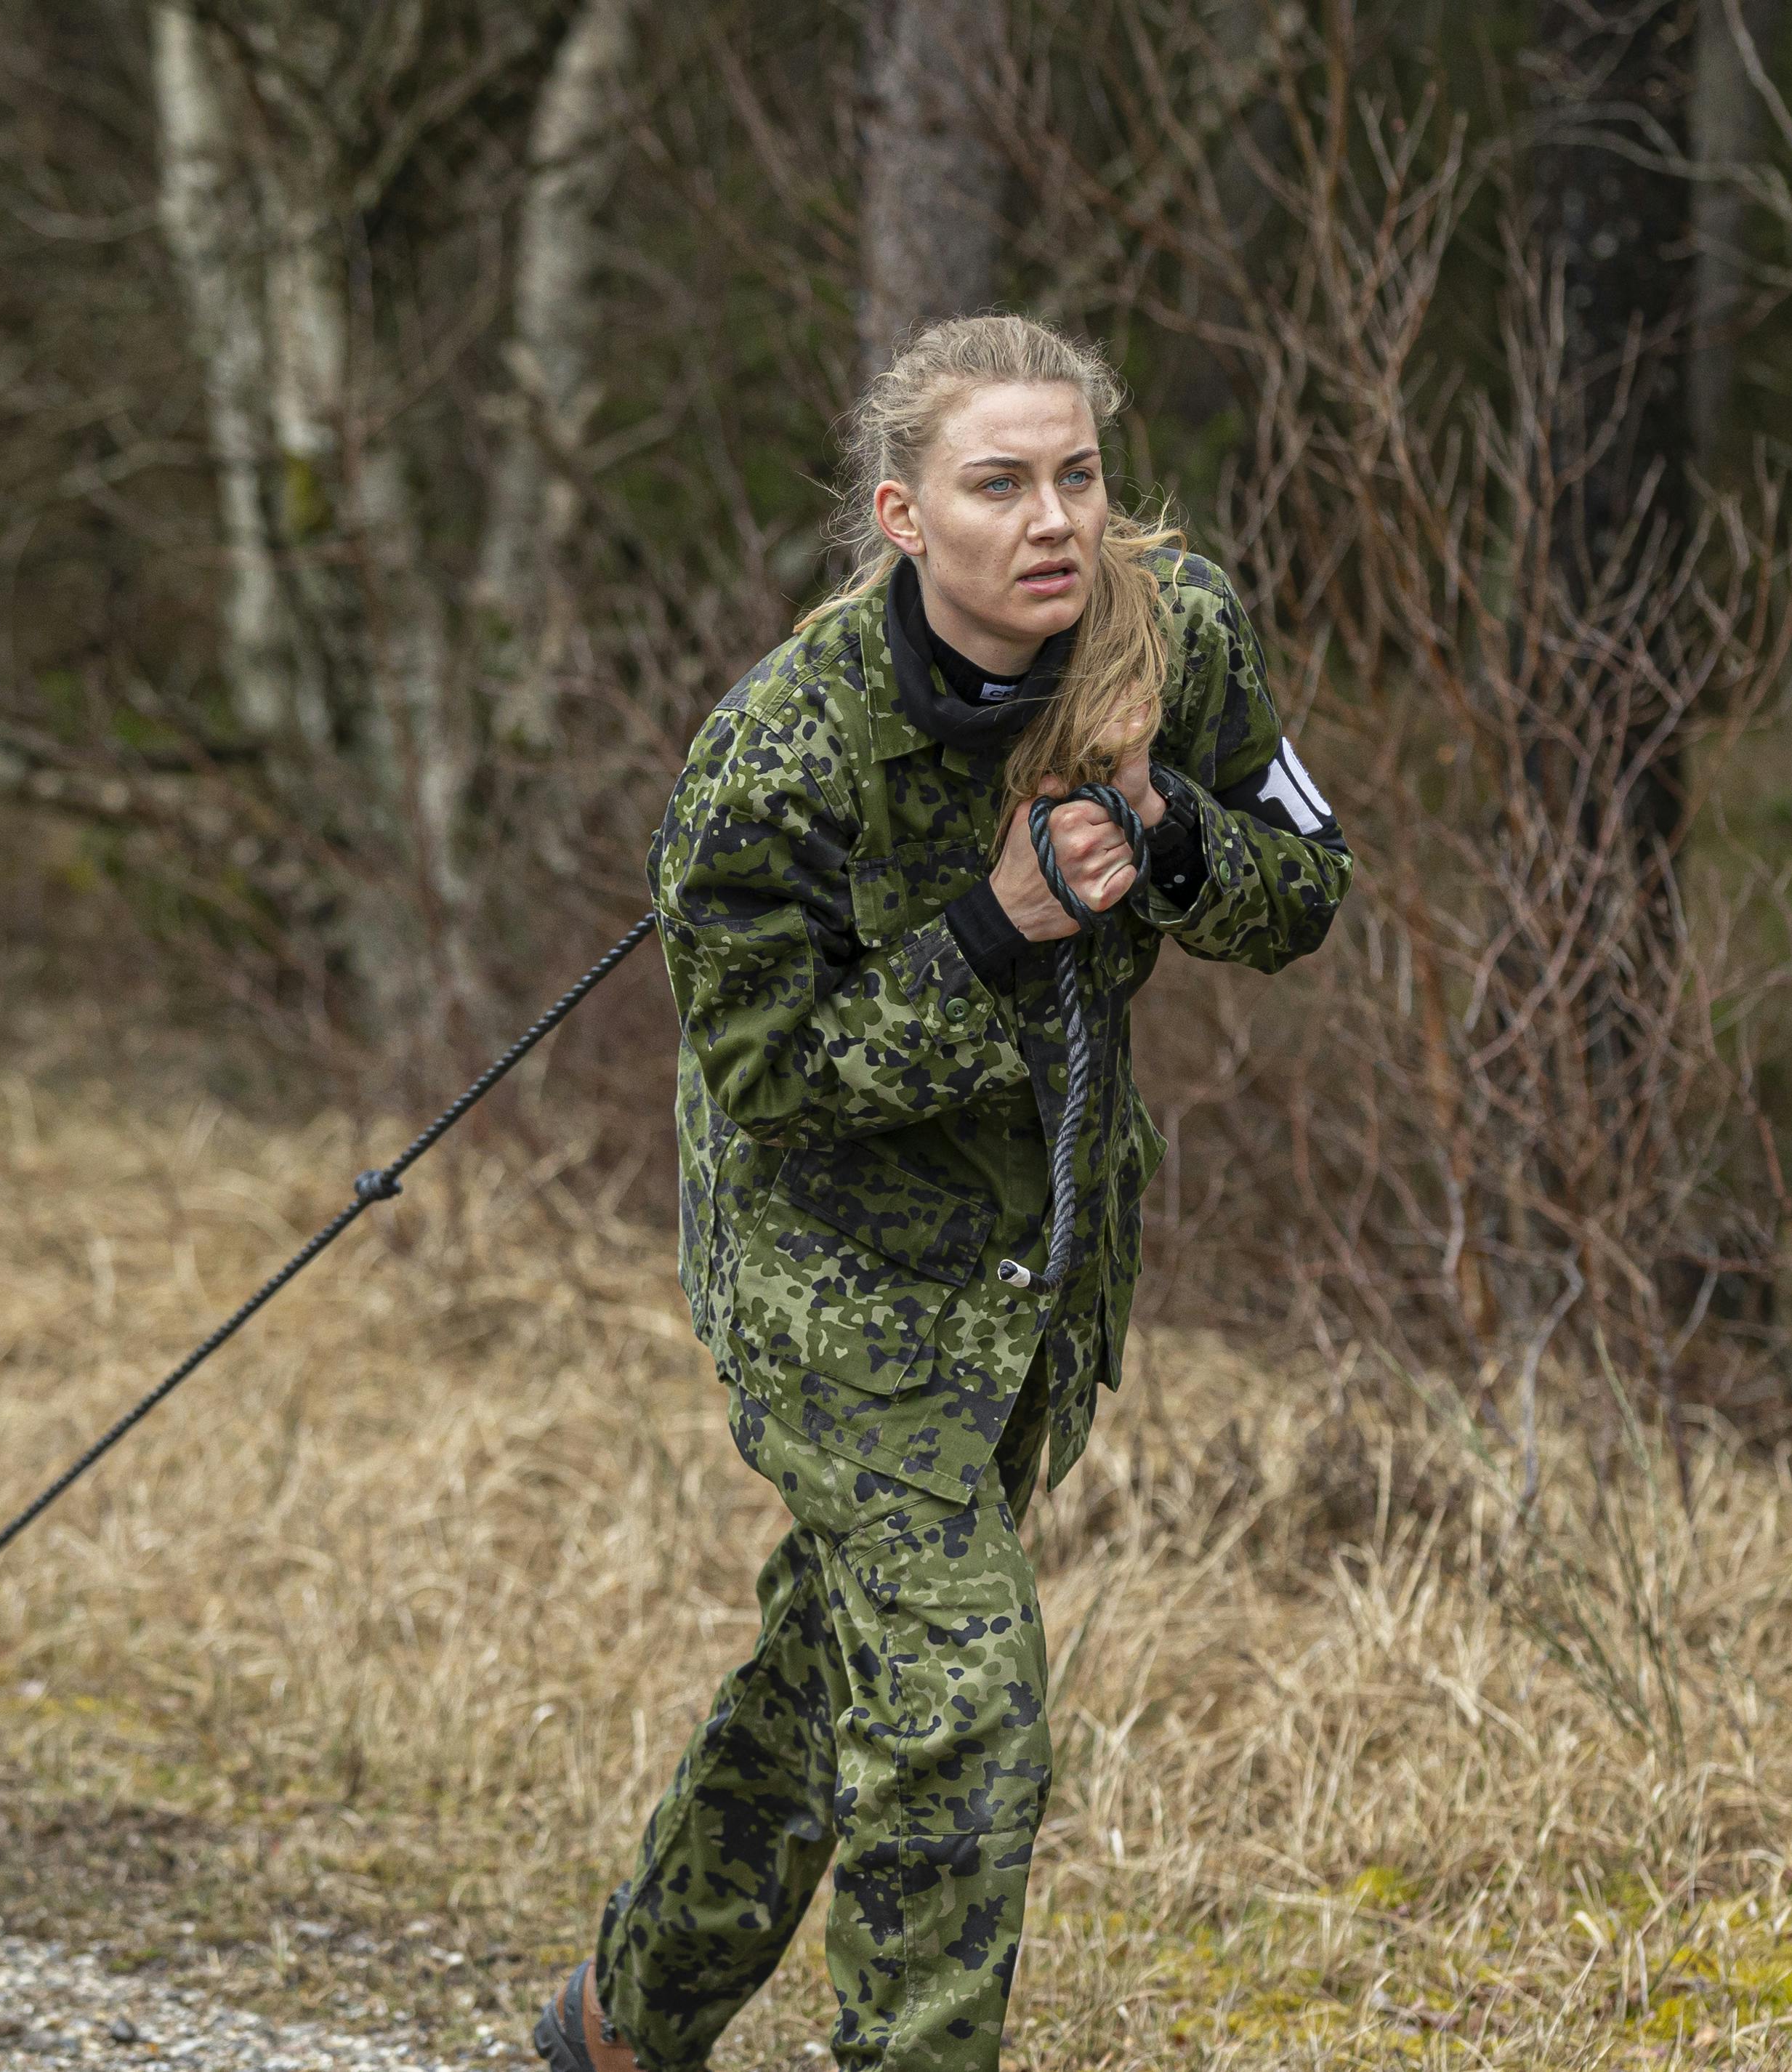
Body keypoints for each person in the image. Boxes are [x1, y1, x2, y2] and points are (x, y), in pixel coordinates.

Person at [532, 314, 1355, 2072]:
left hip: (1041, 1259)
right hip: (826, 1278)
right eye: (1001, 485)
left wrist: (1175, 836)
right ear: (907, 516)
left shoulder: (1172, 634)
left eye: (1078, 476)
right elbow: (775, 1091)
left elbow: (1309, 888)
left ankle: (619, 2026)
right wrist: (992, 935)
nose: (1053, 520)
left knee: (843, 1663)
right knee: (964, 1711)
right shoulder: (780, 757)